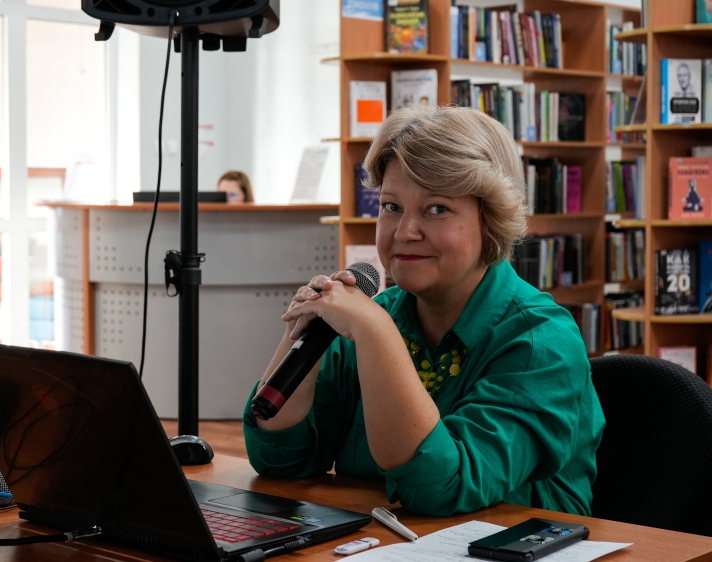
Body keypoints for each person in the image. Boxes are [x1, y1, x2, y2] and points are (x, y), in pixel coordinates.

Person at [242, 105, 604, 517]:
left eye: (437, 209)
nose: (404, 232)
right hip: (376, 543)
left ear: (490, 220)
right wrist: (301, 336)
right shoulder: (375, 316)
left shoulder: (542, 340)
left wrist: (377, 334)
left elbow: (441, 488)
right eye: (391, 207)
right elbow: (280, 462)